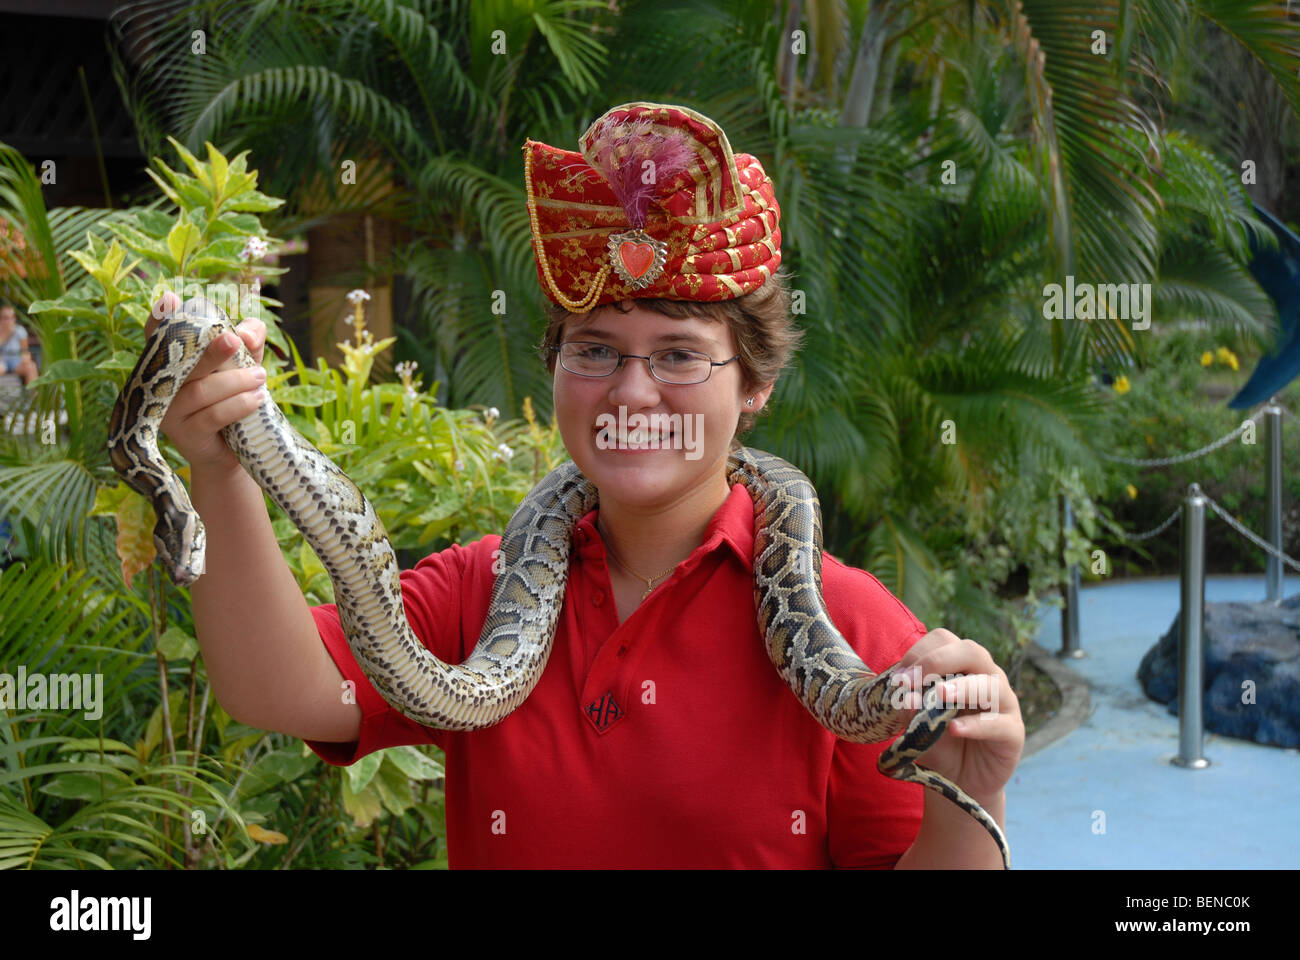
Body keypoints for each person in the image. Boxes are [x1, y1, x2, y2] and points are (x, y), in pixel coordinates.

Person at [150, 102, 1023, 869]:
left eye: (679, 354)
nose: (632, 391)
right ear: (556, 370)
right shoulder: (481, 591)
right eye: (595, 350)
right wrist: (222, 465)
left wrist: (971, 793)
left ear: (753, 385)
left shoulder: (857, 628)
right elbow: (280, 690)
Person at [0, 302, 39, 387]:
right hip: (2, 361)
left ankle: (33, 396)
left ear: (14, 319)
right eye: (4, 318)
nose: (6, 321)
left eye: (9, 318)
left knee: (31, 367)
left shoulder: (20, 331)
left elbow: (25, 350)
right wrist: (6, 334)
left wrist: (26, 358)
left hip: (16, 362)